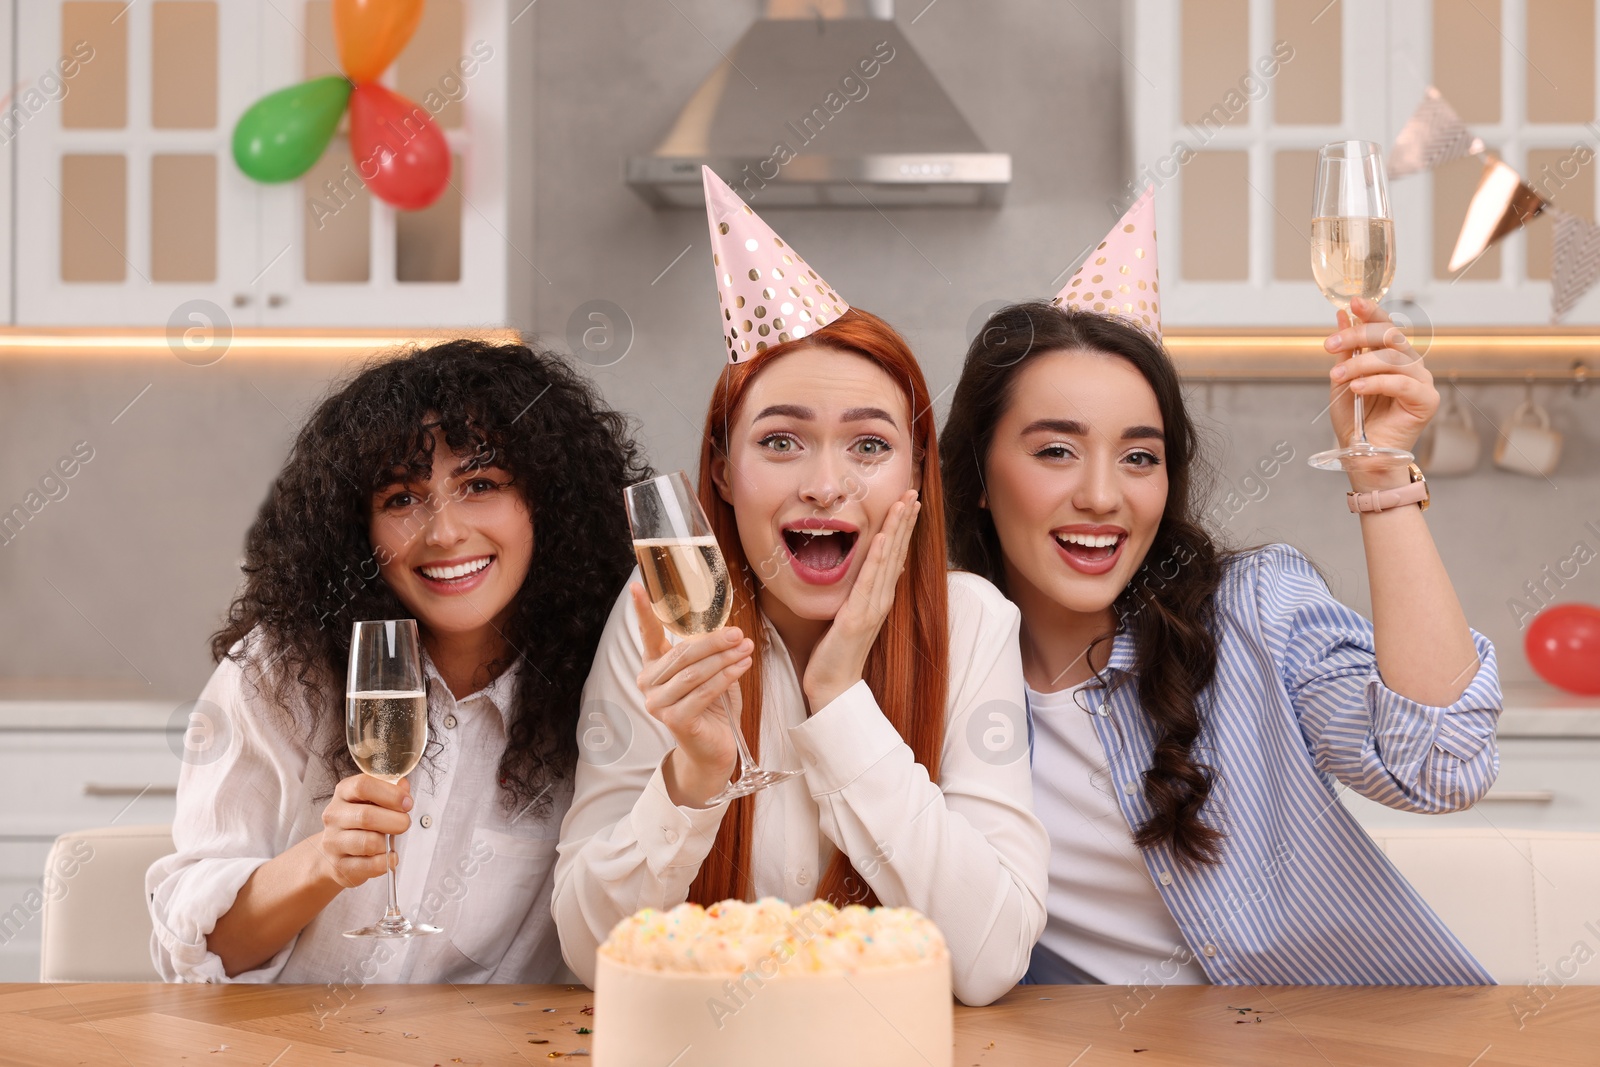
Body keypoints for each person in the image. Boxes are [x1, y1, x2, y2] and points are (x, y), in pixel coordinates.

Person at [939, 188, 1501, 986]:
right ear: (982, 479)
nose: (1103, 495)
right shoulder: (926, 672)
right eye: (1056, 451)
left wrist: (1381, 475)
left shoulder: (1254, 610)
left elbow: (1443, 765)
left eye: (1140, 456)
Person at [552, 168, 1048, 1007]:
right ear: (722, 468)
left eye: (868, 446)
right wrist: (693, 777)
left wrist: (838, 699)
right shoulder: (661, 619)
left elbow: (990, 957)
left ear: (914, 475)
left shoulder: (973, 623)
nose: (827, 485)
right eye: (781, 442)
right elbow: (587, 951)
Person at [147, 339, 649, 984]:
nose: (443, 533)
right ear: (357, 528)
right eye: (402, 499)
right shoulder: (280, 672)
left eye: (480, 484)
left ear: (549, 505)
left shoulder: (610, 685)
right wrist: (323, 862)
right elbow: (189, 955)